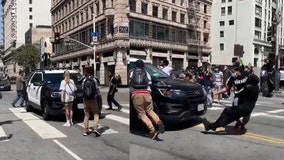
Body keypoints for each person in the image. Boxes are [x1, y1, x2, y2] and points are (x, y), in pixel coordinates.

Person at [203, 66, 260, 131]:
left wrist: (236, 91)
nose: (232, 73)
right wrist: (217, 93)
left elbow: (241, 90)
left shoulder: (246, 76)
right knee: (232, 114)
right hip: (241, 101)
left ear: (238, 71)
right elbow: (227, 88)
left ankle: (214, 126)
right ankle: (214, 125)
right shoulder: (233, 78)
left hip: (245, 101)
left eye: (233, 72)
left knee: (231, 114)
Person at [130, 59, 165, 140]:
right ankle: (159, 122)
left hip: (136, 94)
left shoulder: (132, 72)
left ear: (136, 65)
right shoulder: (146, 72)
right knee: (150, 111)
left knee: (142, 114)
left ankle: (152, 131)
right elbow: (150, 83)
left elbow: (130, 84)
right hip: (147, 94)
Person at [81, 67, 101, 136]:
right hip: (93, 99)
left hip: (86, 99)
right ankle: (95, 128)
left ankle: (85, 130)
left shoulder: (84, 80)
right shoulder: (94, 80)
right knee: (96, 114)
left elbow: (82, 89)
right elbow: (97, 89)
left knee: (86, 114)